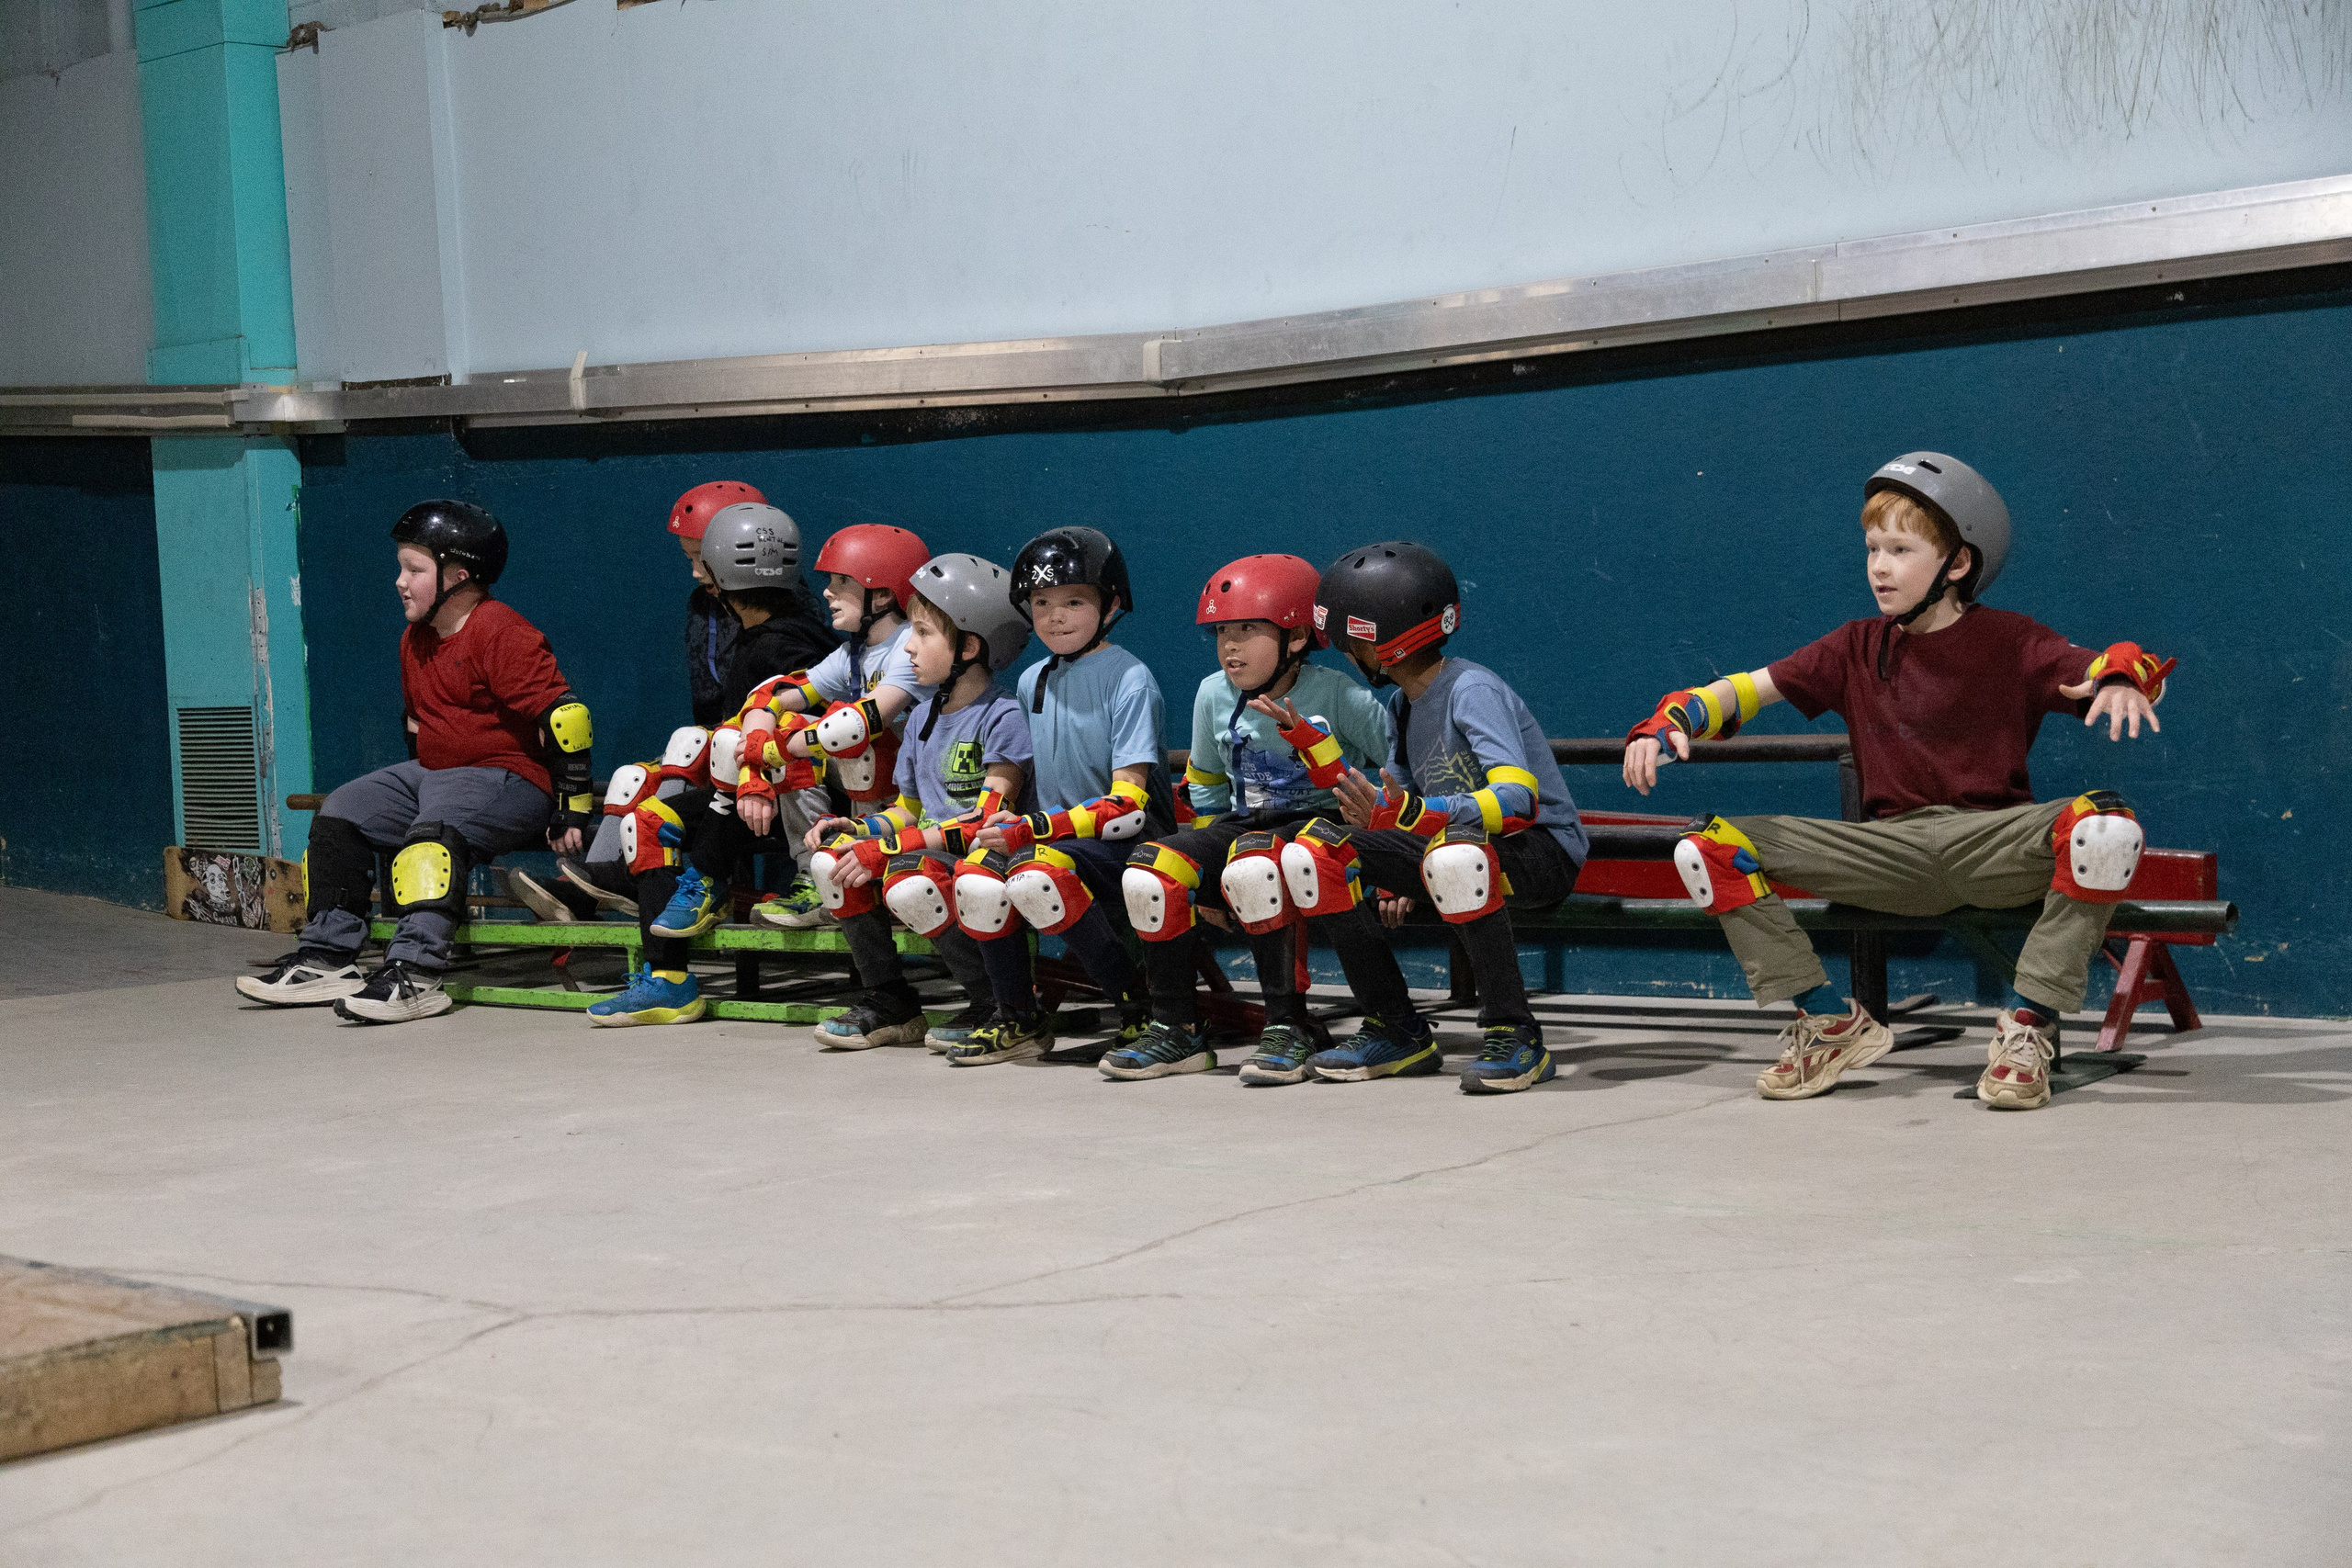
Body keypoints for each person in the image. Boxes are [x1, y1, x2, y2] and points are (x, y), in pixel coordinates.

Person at [1623, 451, 2174, 1111]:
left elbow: (2122, 663)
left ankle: (2030, 1027)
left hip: (1991, 841)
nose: (1879, 566)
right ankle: (1829, 1022)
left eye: (1901, 549)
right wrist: (1670, 719)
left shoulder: (2011, 640)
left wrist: (2121, 676)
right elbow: (1744, 690)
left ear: (1958, 563)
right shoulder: (1855, 645)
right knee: (1705, 846)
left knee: (2106, 829)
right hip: (1889, 853)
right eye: (1872, 548)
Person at [236, 501, 595, 1023]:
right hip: (439, 776)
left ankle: (417, 972)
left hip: (509, 779)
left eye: (414, 570)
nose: (400, 581)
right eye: (401, 568)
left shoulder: (500, 630)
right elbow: (417, 727)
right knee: (343, 811)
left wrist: (573, 805)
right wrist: (417, 791)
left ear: (459, 576)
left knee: (435, 830)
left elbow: (567, 717)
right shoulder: (416, 637)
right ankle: (328, 957)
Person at [1283, 542, 1589, 1093]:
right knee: (1318, 850)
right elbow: (1402, 808)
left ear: (1383, 642)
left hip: (1542, 852)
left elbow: (1518, 799)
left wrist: (1418, 822)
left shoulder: (1469, 689)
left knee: (1454, 858)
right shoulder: (1401, 707)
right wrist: (1396, 862)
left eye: (1351, 643)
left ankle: (1514, 1033)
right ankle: (1396, 1028)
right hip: (1458, 850)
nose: (1347, 655)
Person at [1105, 554, 1393, 1083]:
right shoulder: (1212, 693)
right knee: (1151, 867)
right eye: (1220, 632)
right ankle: (1175, 1028)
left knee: (1252, 862)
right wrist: (1204, 876)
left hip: (1324, 827)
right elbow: (1209, 787)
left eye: (1246, 629)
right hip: (1247, 827)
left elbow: (1400, 767)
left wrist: (1391, 840)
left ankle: (1289, 1025)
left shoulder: (1338, 693)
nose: (1229, 646)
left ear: (1297, 637)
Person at [582, 503, 854, 1024]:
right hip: (756, 790)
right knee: (650, 809)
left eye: (702, 565)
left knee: (674, 794)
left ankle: (689, 906)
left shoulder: (777, 646)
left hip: (793, 799)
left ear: (727, 579)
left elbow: (793, 742)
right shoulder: (789, 633)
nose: (694, 574)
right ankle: (663, 967)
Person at [521, 488, 839, 924]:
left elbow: (797, 718)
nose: (693, 572)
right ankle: (587, 889)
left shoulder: (788, 631)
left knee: (690, 745)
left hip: (775, 768)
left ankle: (652, 881)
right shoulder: (731, 618)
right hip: (736, 754)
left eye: (700, 560)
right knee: (630, 777)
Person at [794, 553, 1039, 1049]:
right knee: (830, 861)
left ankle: (992, 1000)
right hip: (928, 849)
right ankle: (890, 1000)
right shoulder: (924, 718)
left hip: (983, 856)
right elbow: (907, 809)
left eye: (924, 633)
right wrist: (857, 831)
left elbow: (986, 821)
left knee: (910, 879)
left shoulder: (1002, 716)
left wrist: (889, 850)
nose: (908, 645)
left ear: (969, 646)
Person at [644, 524, 934, 942]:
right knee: (758, 735)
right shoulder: (854, 650)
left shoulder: (909, 644)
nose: (828, 593)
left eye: (841, 582)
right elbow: (773, 694)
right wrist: (761, 750)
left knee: (841, 742)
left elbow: (862, 723)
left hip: (920, 797)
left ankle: (861, 871)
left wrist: (778, 749)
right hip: (874, 793)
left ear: (884, 594)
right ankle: (814, 872)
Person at [948, 526, 1172, 1067]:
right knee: (976, 876)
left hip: (1131, 841)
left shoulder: (1130, 677)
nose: (1055, 616)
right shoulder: (1030, 681)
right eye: (1042, 603)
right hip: (1048, 841)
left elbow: (1129, 806)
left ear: (1112, 604)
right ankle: (1018, 1017)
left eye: (1074, 601)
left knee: (1034, 871)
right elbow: (1018, 781)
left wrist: (1032, 834)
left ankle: (1134, 1003)